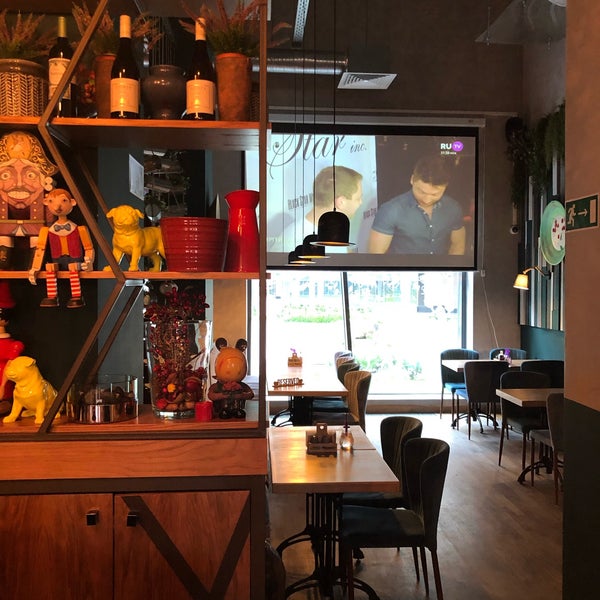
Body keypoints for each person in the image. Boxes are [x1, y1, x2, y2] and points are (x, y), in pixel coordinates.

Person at [368, 155, 466, 255]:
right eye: (421, 192)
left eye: (435, 194)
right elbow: (376, 255)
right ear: (412, 179)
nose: (427, 200)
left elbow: (458, 246)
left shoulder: (453, 208)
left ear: (446, 186)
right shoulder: (390, 210)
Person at [268, 165, 363, 252]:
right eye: (358, 199)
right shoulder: (295, 242)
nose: (360, 203)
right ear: (341, 202)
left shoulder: (336, 234)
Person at [28, 188, 95, 308]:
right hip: (57, 260)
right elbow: (40, 250)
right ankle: (52, 296)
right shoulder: (46, 231)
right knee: (50, 267)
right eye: (51, 201)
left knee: (73, 268)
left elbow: (89, 248)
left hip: (75, 261)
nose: (57, 206)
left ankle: (76, 296)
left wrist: (88, 262)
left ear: (72, 202)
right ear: (46, 203)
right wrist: (35, 268)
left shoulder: (79, 229)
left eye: (64, 200)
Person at [0, 131, 58, 269]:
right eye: (6, 175)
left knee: (37, 245)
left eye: (30, 175)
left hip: (37, 232)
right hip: (5, 231)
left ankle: (35, 261)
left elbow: (51, 219)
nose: (19, 183)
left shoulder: (44, 200)